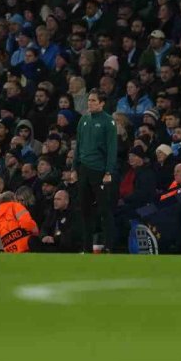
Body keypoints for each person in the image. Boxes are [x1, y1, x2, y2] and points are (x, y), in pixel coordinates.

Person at [75, 89, 117, 251]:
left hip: (99, 171)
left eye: (93, 101)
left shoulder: (108, 122)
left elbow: (112, 148)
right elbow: (78, 144)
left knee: (104, 210)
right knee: (85, 210)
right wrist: (74, 168)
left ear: (102, 103)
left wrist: (108, 172)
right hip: (84, 169)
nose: (90, 103)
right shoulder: (84, 120)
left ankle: (109, 246)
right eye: (89, 100)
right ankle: (86, 247)